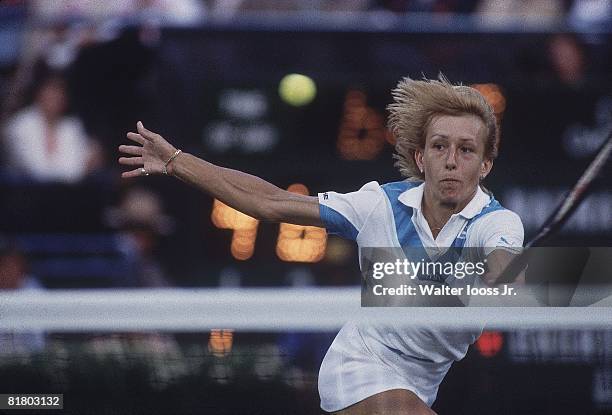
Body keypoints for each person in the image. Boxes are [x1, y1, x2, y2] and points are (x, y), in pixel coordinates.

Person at [118, 75, 524, 414]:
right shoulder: (377, 205)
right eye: (440, 146)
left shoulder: (499, 224)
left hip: (425, 381)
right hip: (360, 365)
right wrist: (175, 160)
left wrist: (493, 279)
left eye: (467, 149)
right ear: (420, 157)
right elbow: (271, 202)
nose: (451, 160)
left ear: (485, 164)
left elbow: (504, 270)